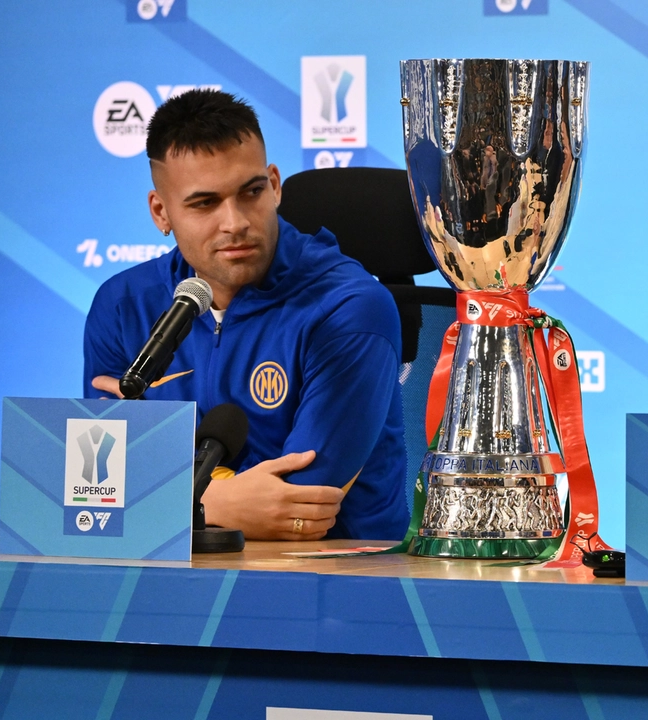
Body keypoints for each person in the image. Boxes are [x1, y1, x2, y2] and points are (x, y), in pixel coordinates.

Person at [84, 89, 408, 541]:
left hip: (334, 586)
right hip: (170, 575)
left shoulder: (350, 308)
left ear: (275, 185)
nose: (234, 222)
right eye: (204, 203)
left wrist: (155, 491)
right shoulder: (123, 306)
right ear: (161, 212)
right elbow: (97, 484)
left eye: (250, 192)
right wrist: (217, 502)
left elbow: (298, 507)